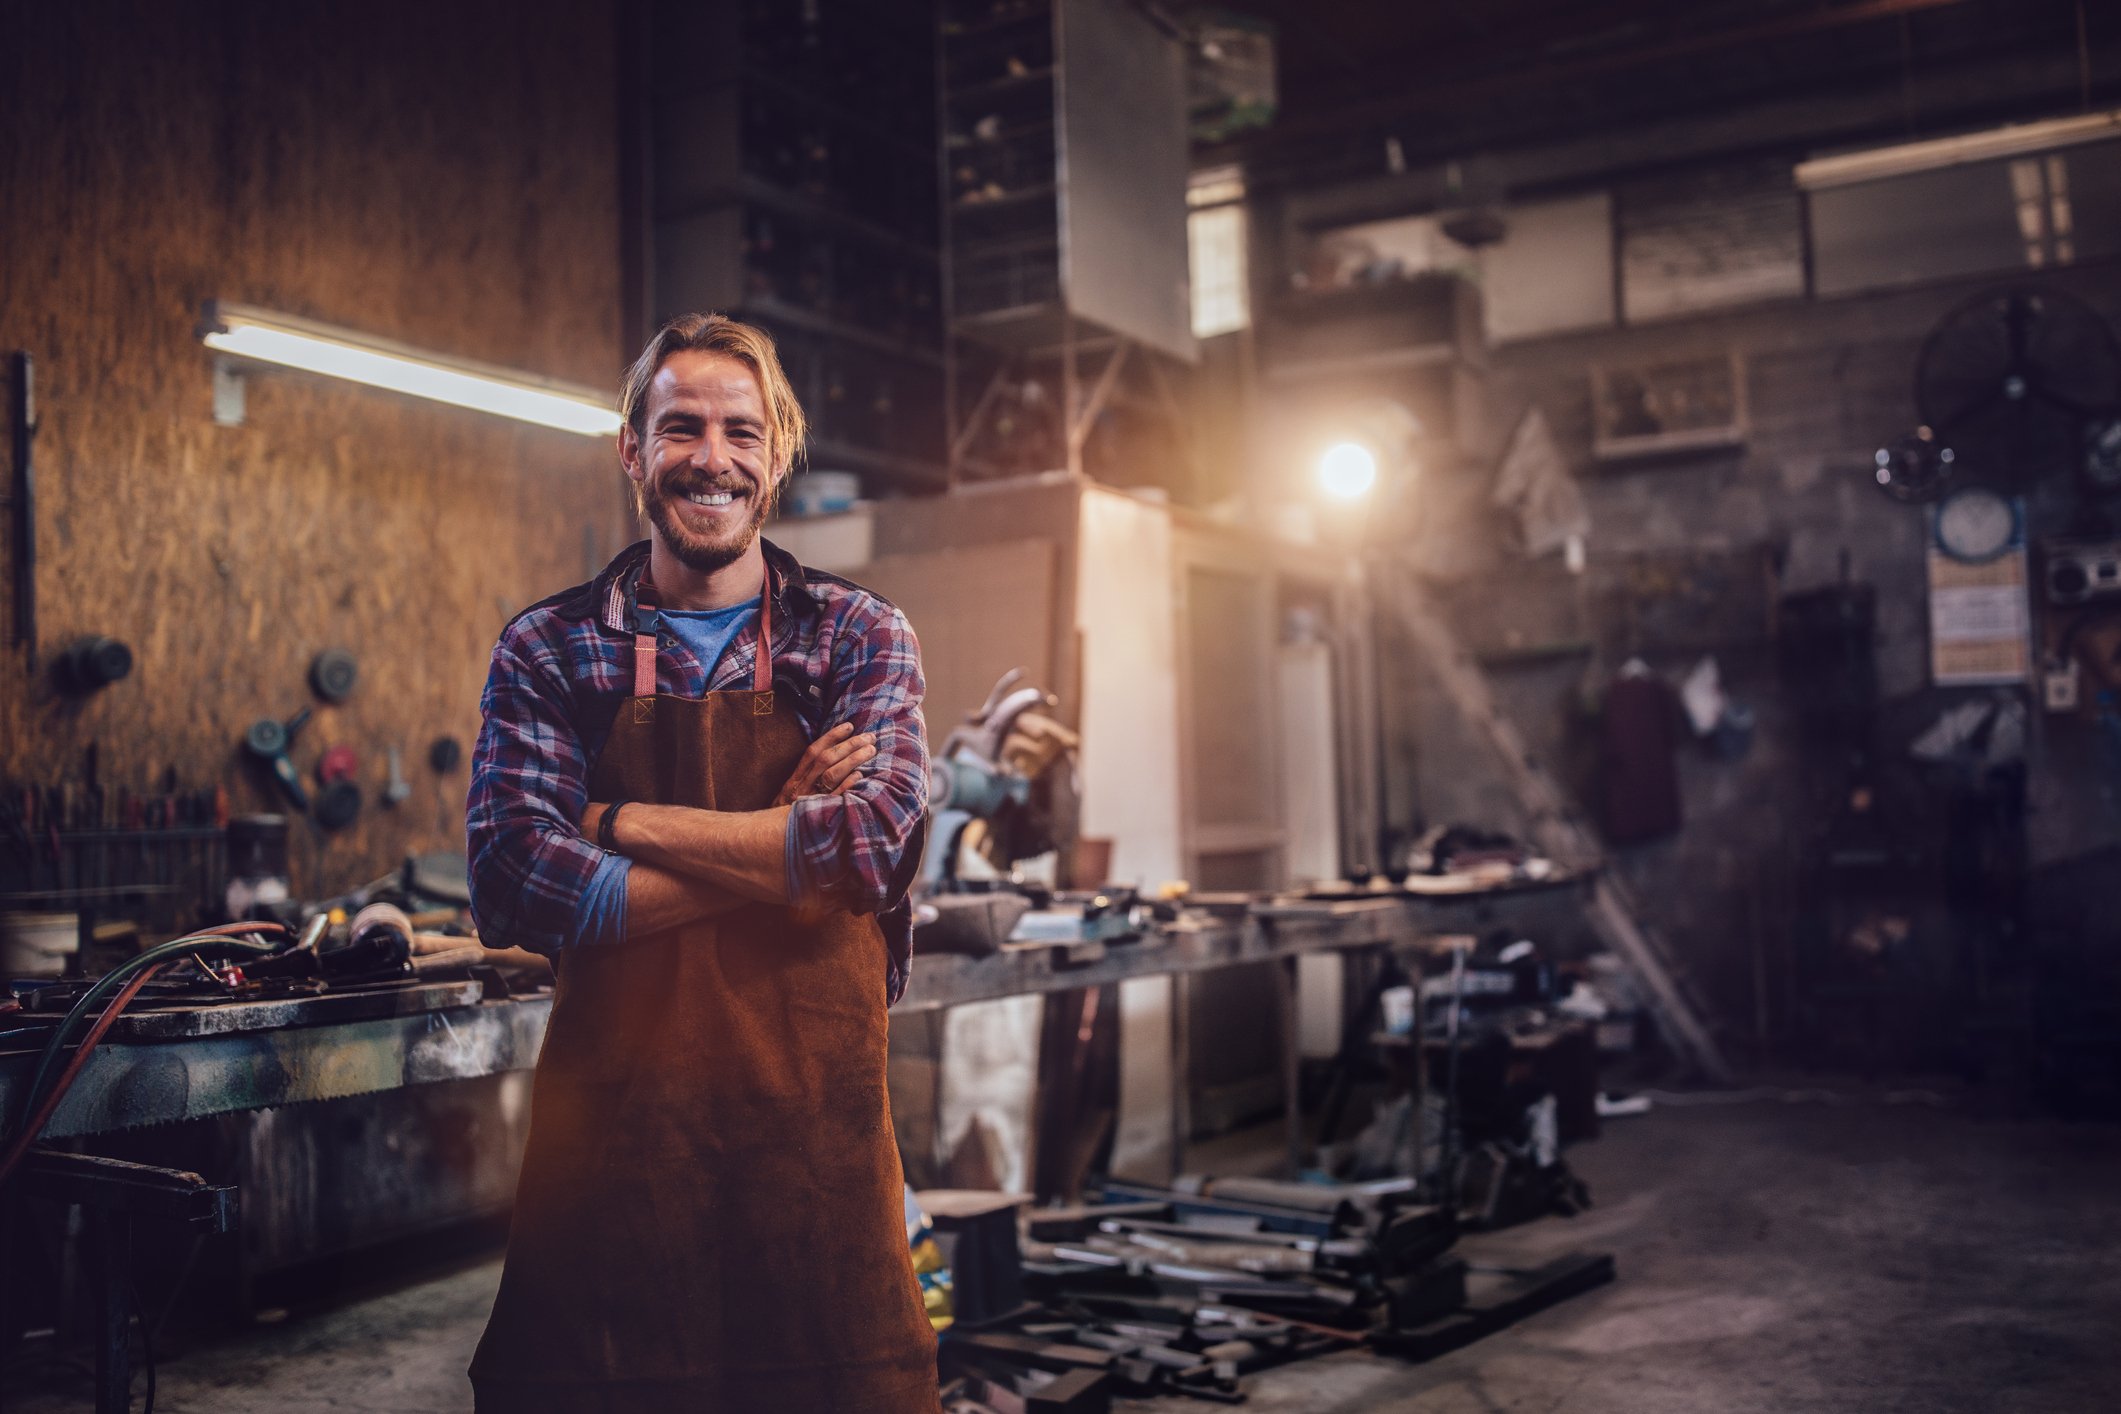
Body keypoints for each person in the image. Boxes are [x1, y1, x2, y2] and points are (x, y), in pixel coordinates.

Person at [463, 313, 940, 1413]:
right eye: (680, 428)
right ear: (633, 451)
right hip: (615, 1162)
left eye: (740, 430)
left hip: (814, 1165)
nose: (710, 457)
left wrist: (617, 818)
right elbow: (512, 878)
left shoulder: (857, 634)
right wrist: (781, 837)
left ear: (777, 455)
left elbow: (868, 849)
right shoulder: (550, 646)